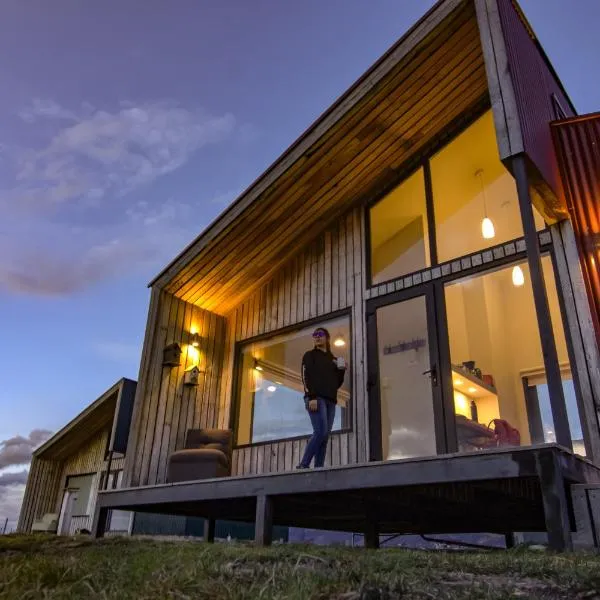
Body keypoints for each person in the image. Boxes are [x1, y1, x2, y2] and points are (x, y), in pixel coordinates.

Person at [297, 327, 346, 469]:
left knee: (324, 437)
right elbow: (305, 376)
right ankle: (303, 464)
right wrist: (311, 396)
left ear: (327, 338)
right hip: (316, 398)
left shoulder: (333, 360)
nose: (317, 337)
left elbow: (336, 383)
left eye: (320, 334)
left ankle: (318, 468)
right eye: (315, 335)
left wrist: (341, 371)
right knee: (320, 432)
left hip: (331, 401)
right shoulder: (309, 355)